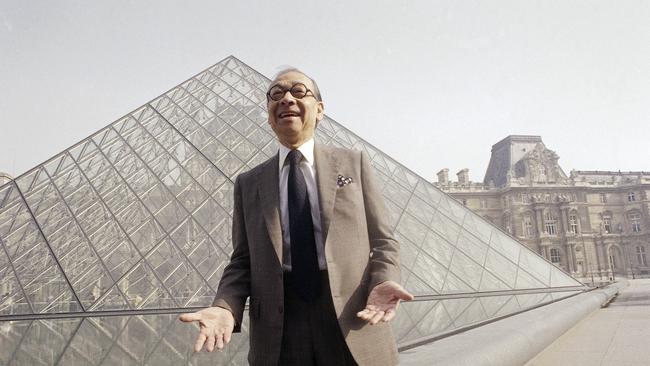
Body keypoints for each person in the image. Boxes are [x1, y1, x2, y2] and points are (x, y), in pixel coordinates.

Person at [179, 68, 413, 366]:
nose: (286, 98)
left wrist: (385, 279)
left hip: (352, 317)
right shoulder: (248, 183)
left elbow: (384, 241)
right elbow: (242, 260)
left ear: (320, 110)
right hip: (279, 329)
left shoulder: (354, 163)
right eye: (276, 94)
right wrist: (225, 307)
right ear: (268, 115)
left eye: (299, 92)